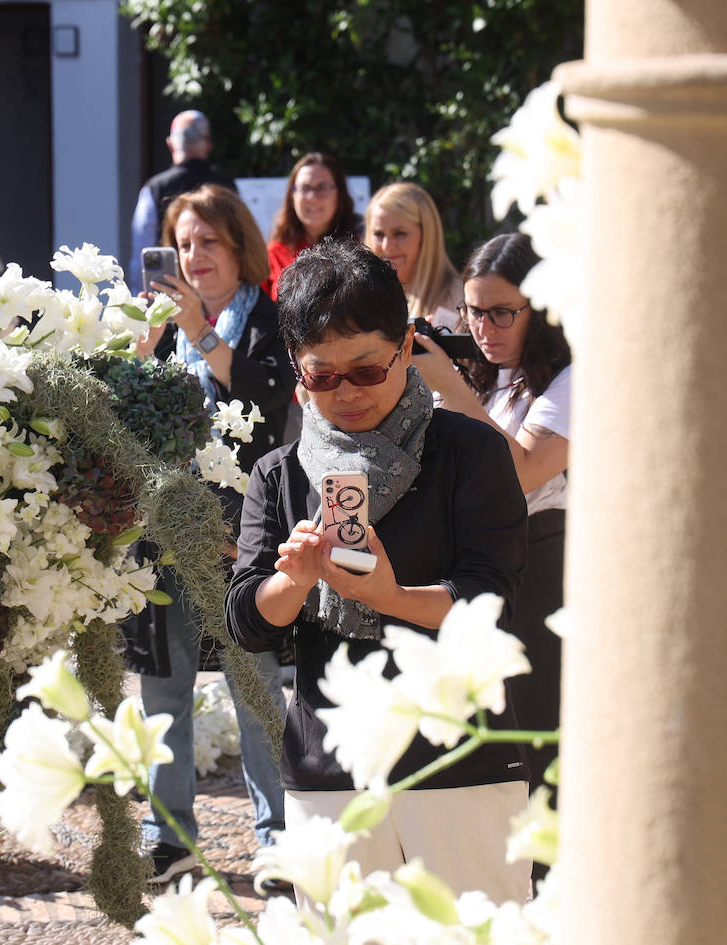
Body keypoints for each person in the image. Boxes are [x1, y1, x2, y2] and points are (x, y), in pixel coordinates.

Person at [225, 238, 532, 904]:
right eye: (321, 375)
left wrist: (390, 596)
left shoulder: (469, 450)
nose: (346, 392)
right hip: (330, 765)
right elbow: (247, 617)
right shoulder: (280, 474)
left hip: (457, 761)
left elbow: (493, 602)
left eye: (365, 369)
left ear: (407, 343)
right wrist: (295, 581)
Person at [128, 183, 296, 884]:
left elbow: (262, 397)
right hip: (167, 534)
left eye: (207, 243)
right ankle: (167, 839)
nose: (193, 257)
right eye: (183, 244)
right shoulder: (165, 328)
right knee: (161, 690)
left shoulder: (268, 320)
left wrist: (201, 329)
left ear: (239, 248)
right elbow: (129, 415)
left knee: (253, 689)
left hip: (240, 538)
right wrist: (140, 346)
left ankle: (281, 838)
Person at [412, 232, 571, 800]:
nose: (484, 328)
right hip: (475, 562)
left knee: (539, 733)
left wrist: (451, 389)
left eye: (502, 312)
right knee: (486, 738)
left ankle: (550, 877)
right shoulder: (482, 371)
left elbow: (524, 471)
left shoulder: (572, 378)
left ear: (542, 310)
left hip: (542, 563)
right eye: (473, 311)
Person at [128, 111, 236, 292]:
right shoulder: (227, 187)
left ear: (171, 145)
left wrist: (143, 300)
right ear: (208, 144)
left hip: (171, 298)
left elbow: (142, 254)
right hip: (222, 297)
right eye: (185, 244)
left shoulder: (155, 189)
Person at [364, 182, 462, 330]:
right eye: (379, 234)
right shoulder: (359, 299)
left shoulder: (459, 299)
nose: (386, 246)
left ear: (427, 235)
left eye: (400, 233)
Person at [263, 153, 360, 301]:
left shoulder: (361, 247)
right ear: (292, 196)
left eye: (322, 188)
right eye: (305, 188)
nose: (312, 197)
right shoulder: (274, 253)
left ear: (339, 195)